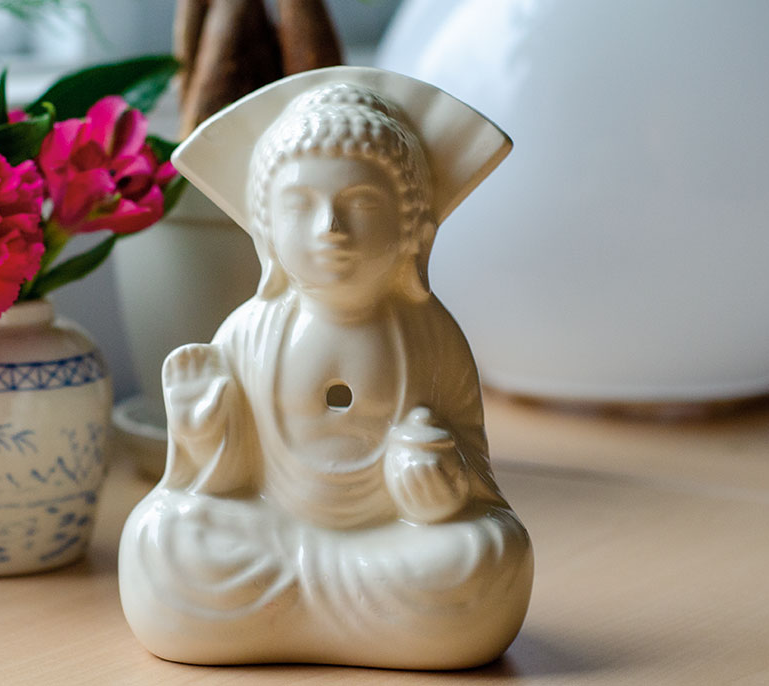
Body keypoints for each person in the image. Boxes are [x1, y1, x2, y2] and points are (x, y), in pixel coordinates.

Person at [119, 72, 533, 670]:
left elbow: (475, 476)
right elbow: (219, 480)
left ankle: (285, 615)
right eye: (300, 206)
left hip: (390, 548)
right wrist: (205, 432)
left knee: (488, 553)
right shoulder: (250, 332)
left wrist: (441, 482)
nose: (330, 231)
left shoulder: (431, 337)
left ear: (413, 225)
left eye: (361, 205)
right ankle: (350, 621)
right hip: (270, 539)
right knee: (161, 535)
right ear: (265, 227)